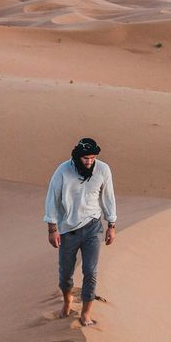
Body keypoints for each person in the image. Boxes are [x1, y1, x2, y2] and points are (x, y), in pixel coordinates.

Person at [43, 137, 116, 326]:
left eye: (92, 158)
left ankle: (85, 313)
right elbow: (53, 199)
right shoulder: (63, 171)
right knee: (65, 273)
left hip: (93, 227)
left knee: (90, 271)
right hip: (68, 230)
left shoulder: (103, 170)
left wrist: (111, 225)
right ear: (77, 156)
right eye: (86, 159)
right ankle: (68, 299)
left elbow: (108, 198)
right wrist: (52, 229)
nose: (90, 162)